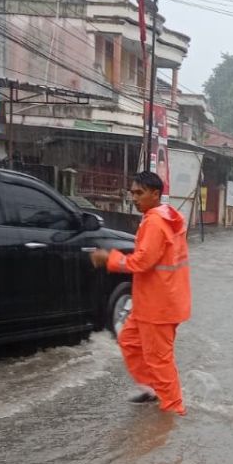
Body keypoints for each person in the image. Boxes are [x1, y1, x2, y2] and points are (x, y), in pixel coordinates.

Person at [89, 171, 191, 414]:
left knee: (159, 359)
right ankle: (154, 391)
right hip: (154, 301)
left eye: (139, 193)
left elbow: (142, 262)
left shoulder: (156, 222)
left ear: (155, 194)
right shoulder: (161, 216)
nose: (134, 198)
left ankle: (173, 412)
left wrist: (109, 259)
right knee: (130, 341)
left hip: (159, 305)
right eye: (132, 193)